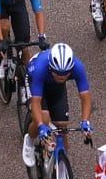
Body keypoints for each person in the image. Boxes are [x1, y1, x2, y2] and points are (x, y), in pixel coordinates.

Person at [22, 42, 92, 171]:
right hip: (35, 81)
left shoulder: (78, 67)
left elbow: (85, 98)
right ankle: (30, 141)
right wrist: (41, 126)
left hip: (56, 88)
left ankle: (62, 166)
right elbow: (36, 102)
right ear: (51, 68)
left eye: (65, 74)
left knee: (62, 126)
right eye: (58, 74)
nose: (62, 77)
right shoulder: (40, 68)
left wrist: (85, 121)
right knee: (43, 118)